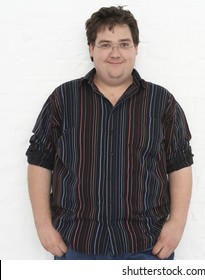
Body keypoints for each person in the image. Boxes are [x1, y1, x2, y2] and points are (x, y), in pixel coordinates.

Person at [26, 6, 194, 260]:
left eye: (124, 44)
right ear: (91, 49)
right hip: (77, 244)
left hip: (146, 244)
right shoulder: (63, 99)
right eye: (105, 44)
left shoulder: (161, 102)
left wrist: (177, 225)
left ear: (136, 48)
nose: (115, 53)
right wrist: (43, 226)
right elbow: (40, 161)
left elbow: (179, 165)